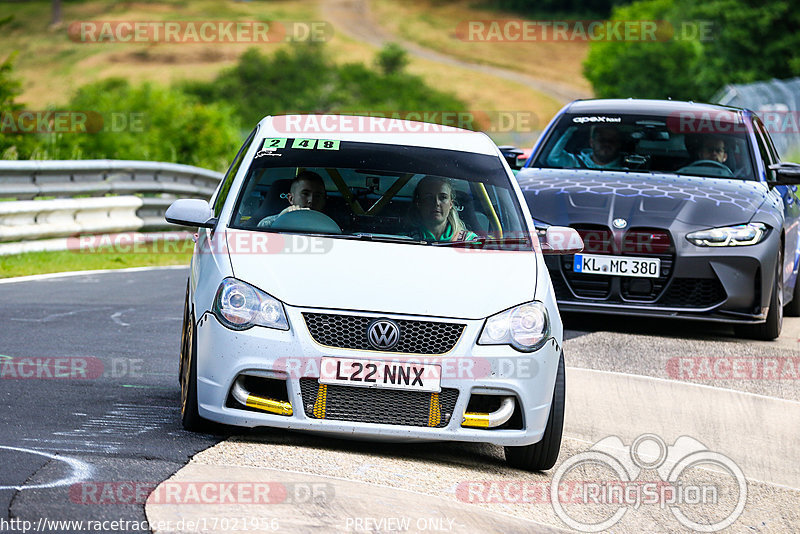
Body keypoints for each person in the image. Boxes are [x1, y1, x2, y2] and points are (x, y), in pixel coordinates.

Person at [408, 175, 478, 242]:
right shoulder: (404, 240)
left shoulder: (470, 241)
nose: (437, 203)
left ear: (451, 204)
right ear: (419, 203)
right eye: (429, 198)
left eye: (443, 197)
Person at [258, 171, 327, 228]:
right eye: (305, 194)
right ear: (290, 198)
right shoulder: (269, 223)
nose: (311, 200)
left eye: (317, 196)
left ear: (323, 200)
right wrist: (281, 218)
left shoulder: (331, 228)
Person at [546, 124, 624, 169]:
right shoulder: (574, 162)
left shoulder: (627, 170)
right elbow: (553, 158)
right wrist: (570, 130)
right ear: (591, 142)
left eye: (612, 140)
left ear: (619, 144)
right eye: (602, 140)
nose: (606, 144)